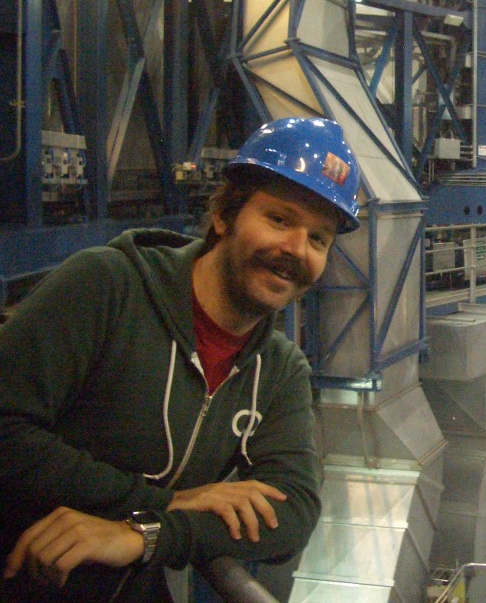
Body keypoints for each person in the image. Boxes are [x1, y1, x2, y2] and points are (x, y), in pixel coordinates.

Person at [0, 117, 361, 602]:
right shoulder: (108, 287)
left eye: (319, 239)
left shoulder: (279, 370)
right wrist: (165, 502)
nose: (296, 249)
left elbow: (292, 514)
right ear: (224, 216)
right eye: (279, 219)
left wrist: (145, 535)